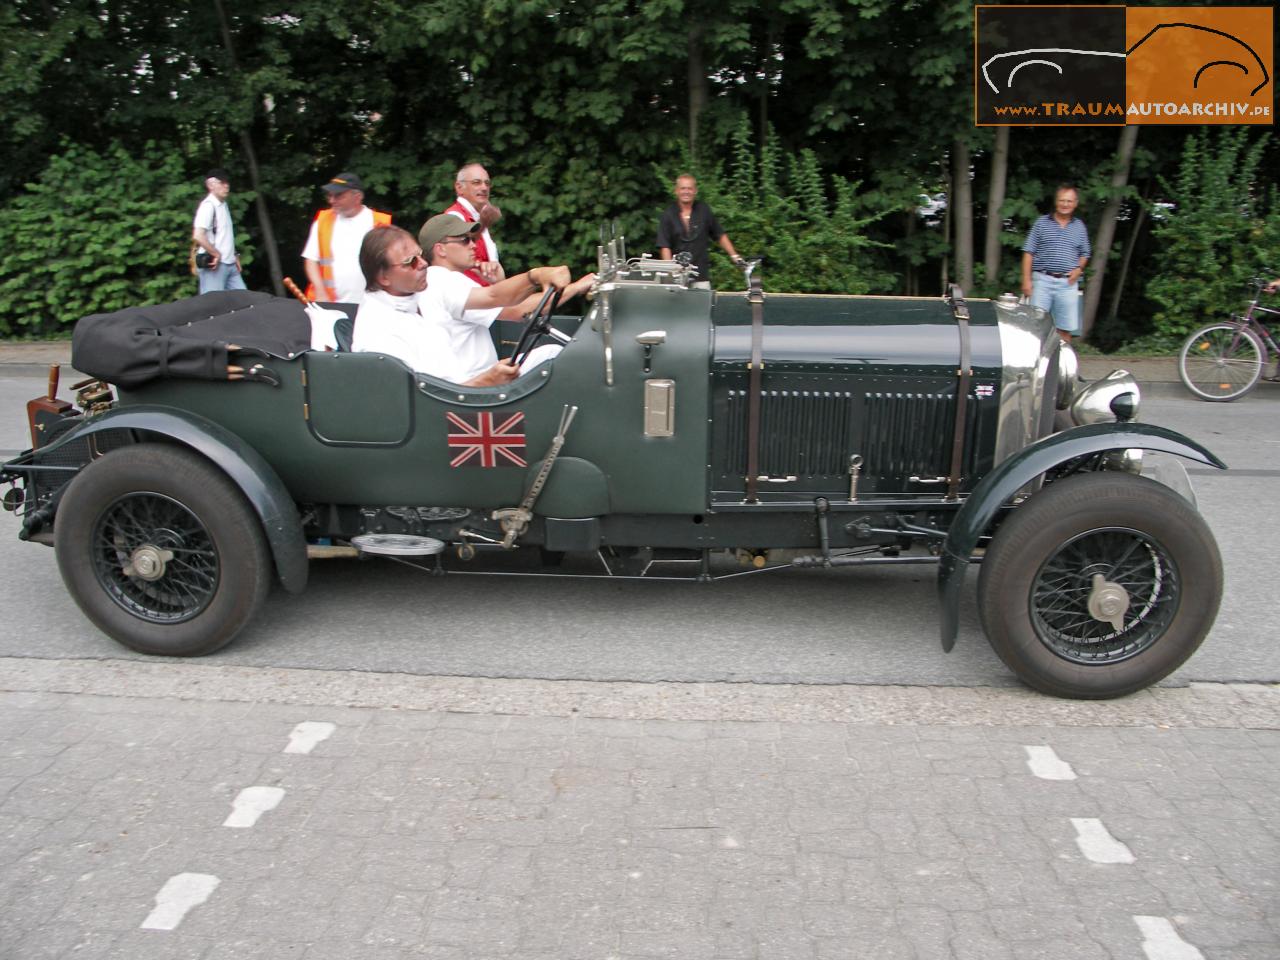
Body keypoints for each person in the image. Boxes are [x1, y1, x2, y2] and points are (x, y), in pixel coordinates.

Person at [352, 225, 570, 387]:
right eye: (411, 262)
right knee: (556, 359)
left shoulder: (421, 288)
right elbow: (421, 401)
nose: (424, 263)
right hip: (453, 413)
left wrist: (534, 277)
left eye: (420, 255)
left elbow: (493, 296)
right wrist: (487, 381)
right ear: (384, 278)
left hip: (468, 391)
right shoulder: (378, 329)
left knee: (554, 353)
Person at [419, 214, 595, 382]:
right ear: (440, 249)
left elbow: (505, 305)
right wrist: (577, 287)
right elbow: (519, 311)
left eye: (472, 239)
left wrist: (500, 283)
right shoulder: (445, 280)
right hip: (473, 385)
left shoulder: (434, 280)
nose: (473, 245)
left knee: (551, 353)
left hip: (474, 379)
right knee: (555, 354)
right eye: (464, 240)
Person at [302, 172, 392, 304]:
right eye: (330, 195)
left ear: (358, 196)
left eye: (338, 195)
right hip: (331, 303)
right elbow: (311, 260)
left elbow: (392, 264)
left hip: (372, 303)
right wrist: (321, 293)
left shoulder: (379, 223)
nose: (332, 200)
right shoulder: (323, 221)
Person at [1021, 184, 1091, 343]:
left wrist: (1079, 268)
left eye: (1069, 201)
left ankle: (1062, 365)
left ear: (1075, 203)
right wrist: (1026, 280)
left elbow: (1085, 253)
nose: (1065, 204)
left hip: (1067, 283)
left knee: (1065, 329)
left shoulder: (1079, 226)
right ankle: (1036, 365)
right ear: (1056, 202)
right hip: (1042, 281)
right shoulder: (1041, 223)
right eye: (1062, 200)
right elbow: (1028, 252)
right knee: (1036, 325)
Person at [655, 173, 744, 286]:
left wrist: (735, 256)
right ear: (676, 191)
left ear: (695, 191)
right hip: (677, 276)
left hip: (700, 274)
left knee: (703, 302)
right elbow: (664, 245)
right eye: (683, 188)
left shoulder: (704, 210)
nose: (686, 192)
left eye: (689, 188)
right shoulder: (668, 214)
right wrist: (670, 272)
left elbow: (719, 234)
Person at [444, 163, 503, 285]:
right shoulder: (454, 216)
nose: (484, 188)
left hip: (490, 294)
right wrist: (483, 223)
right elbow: (460, 249)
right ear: (459, 187)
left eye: (487, 183)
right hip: (472, 296)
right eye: (476, 182)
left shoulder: (479, 215)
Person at [192, 169, 245, 294]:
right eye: (221, 182)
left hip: (230, 264)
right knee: (212, 306)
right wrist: (215, 254)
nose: (226, 186)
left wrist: (234, 255)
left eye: (227, 182)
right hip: (214, 266)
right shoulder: (208, 206)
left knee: (246, 302)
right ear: (210, 185)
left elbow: (224, 236)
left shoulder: (223, 205)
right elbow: (198, 235)